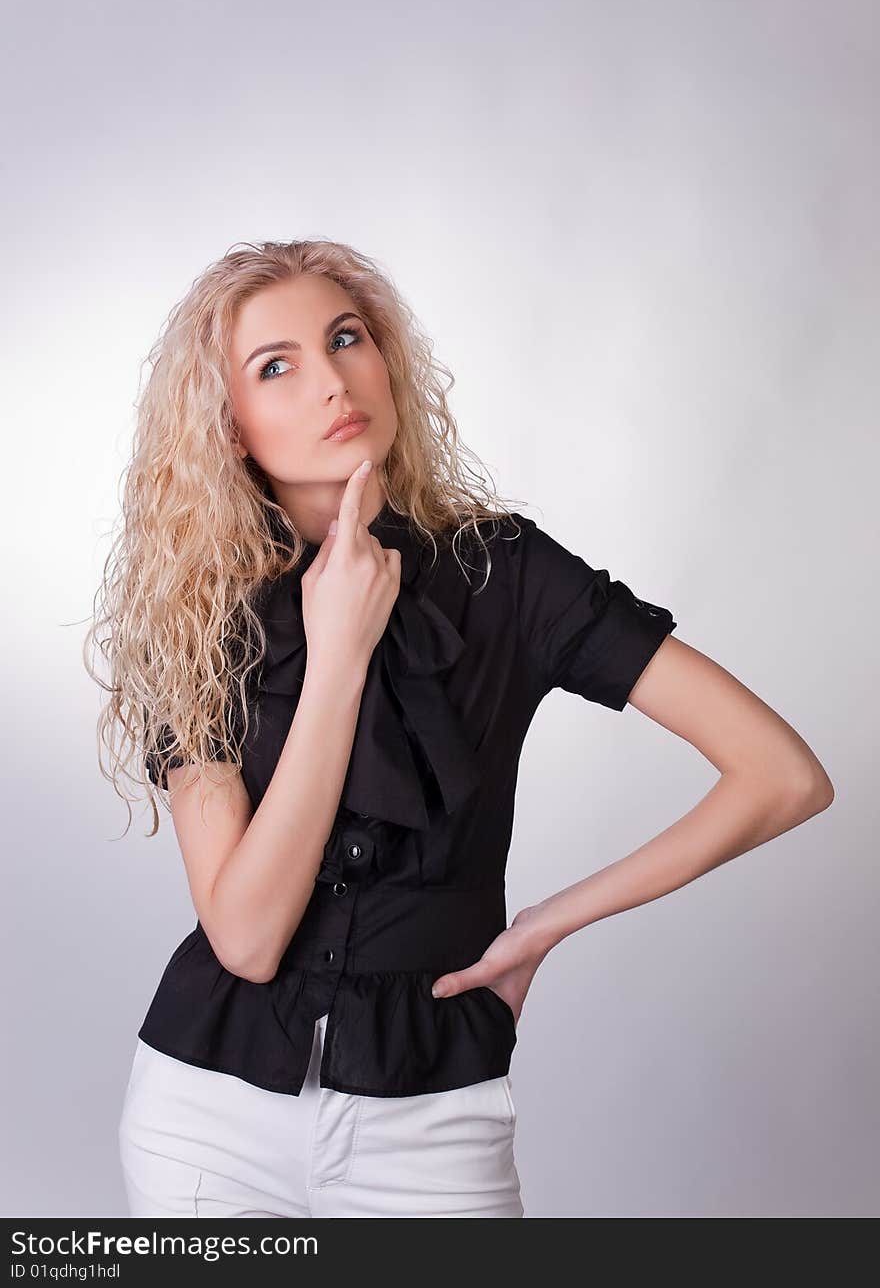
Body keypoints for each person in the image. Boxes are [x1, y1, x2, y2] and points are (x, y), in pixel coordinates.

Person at [87, 239, 834, 1218]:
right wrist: (339, 653)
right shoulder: (196, 610)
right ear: (229, 426)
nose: (332, 381)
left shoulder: (509, 575)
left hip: (433, 1122)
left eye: (345, 338)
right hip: (204, 1115)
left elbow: (781, 775)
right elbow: (248, 938)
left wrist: (545, 926)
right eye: (278, 366)